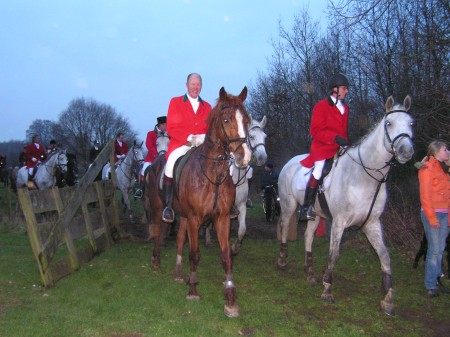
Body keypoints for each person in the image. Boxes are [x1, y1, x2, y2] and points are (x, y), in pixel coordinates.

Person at [299, 73, 350, 221]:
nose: (346, 91)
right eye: (344, 88)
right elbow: (315, 131)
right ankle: (306, 207)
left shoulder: (345, 108)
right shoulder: (320, 106)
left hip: (339, 146)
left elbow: (344, 131)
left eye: (346, 89)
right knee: (319, 169)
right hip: (322, 147)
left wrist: (346, 143)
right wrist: (334, 138)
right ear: (335, 89)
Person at [162, 73, 212, 223]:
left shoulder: (207, 106)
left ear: (201, 86)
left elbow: (210, 129)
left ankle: (224, 202)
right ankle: (168, 206)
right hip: (182, 144)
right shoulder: (175, 102)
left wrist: (203, 137)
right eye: (193, 84)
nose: (195, 87)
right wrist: (189, 137)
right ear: (186, 85)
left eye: (198, 85)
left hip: (202, 146)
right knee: (170, 164)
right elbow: (171, 127)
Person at [417, 141, 450, 297]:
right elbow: (425, 196)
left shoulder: (444, 169)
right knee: (434, 249)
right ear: (436, 152)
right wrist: (432, 218)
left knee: (440, 249)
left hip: (445, 214)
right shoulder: (427, 169)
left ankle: (437, 280)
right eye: (445, 149)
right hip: (433, 213)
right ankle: (431, 284)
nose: (448, 152)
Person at [140, 116, 168, 180]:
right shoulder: (151, 134)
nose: (167, 127)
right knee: (144, 170)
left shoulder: (168, 134)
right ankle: (141, 188)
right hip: (152, 158)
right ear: (161, 125)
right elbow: (149, 145)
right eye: (166, 125)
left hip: (166, 158)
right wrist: (157, 154)